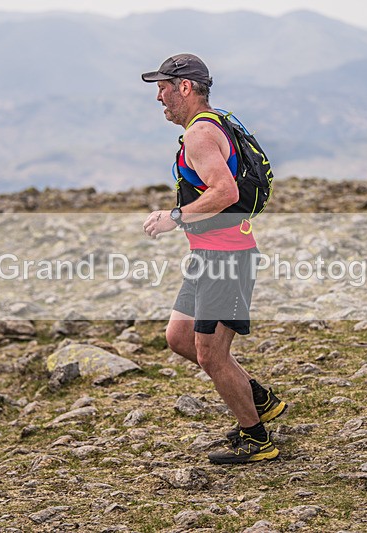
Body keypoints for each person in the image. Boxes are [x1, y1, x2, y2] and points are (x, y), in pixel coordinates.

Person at [141, 53, 286, 464]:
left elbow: (226, 192)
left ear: (185, 87)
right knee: (179, 337)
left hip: (228, 258)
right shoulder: (217, 120)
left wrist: (174, 217)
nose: (159, 97)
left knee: (210, 354)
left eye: (164, 88)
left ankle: (257, 439)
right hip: (209, 255)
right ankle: (257, 397)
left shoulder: (201, 135)